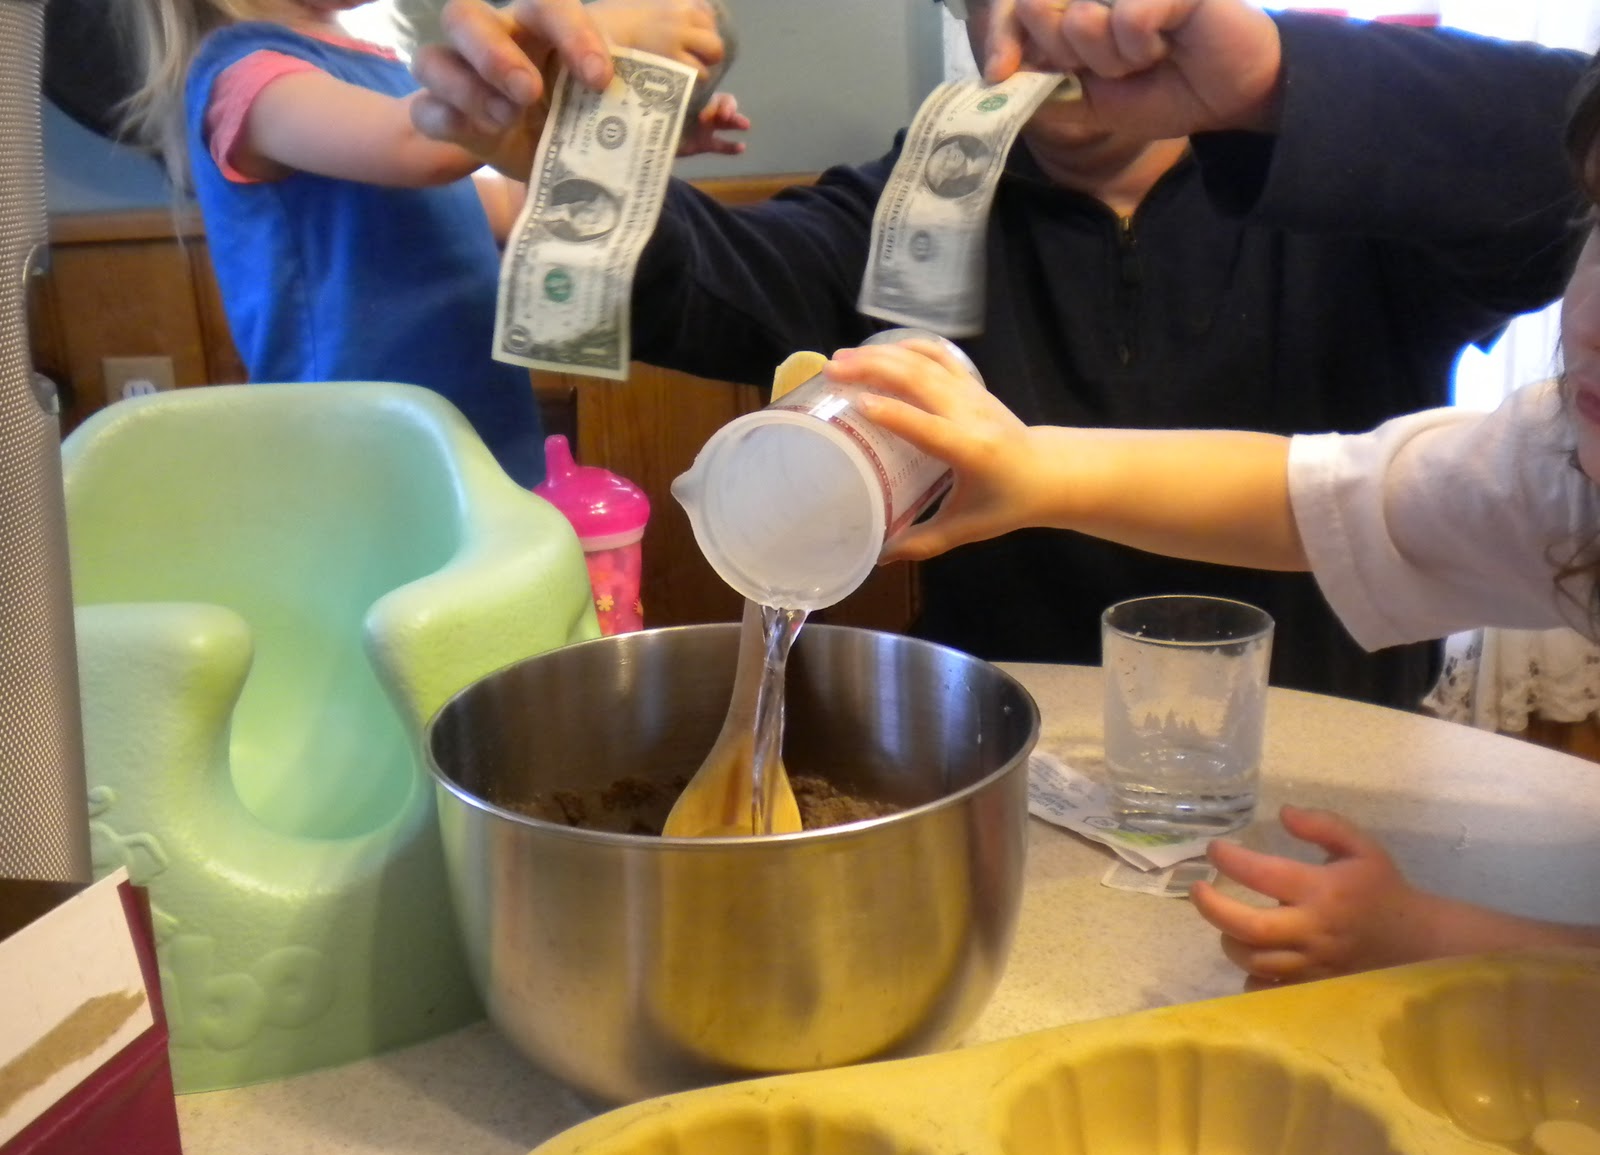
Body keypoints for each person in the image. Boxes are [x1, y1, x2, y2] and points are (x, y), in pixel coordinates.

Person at [410, 0, 1584, 707]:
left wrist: (1269, 82)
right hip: (1011, 754)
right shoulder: (911, 211)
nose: (1057, 21)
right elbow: (706, 281)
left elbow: (1563, 163)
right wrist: (573, 143)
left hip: (1335, 752)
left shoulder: (1356, 199)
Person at [811, 39, 1600, 982]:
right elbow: (1323, 497)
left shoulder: (1335, 214)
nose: (1590, 323)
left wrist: (1437, 937)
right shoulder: (1557, 469)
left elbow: (1533, 131)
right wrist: (1033, 468)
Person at [118, 0, 746, 487]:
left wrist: (628, 139)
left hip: (476, 420)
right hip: (356, 455)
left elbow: (507, 204)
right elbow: (416, 143)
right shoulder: (246, 77)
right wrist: (596, 32)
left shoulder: (385, 68)